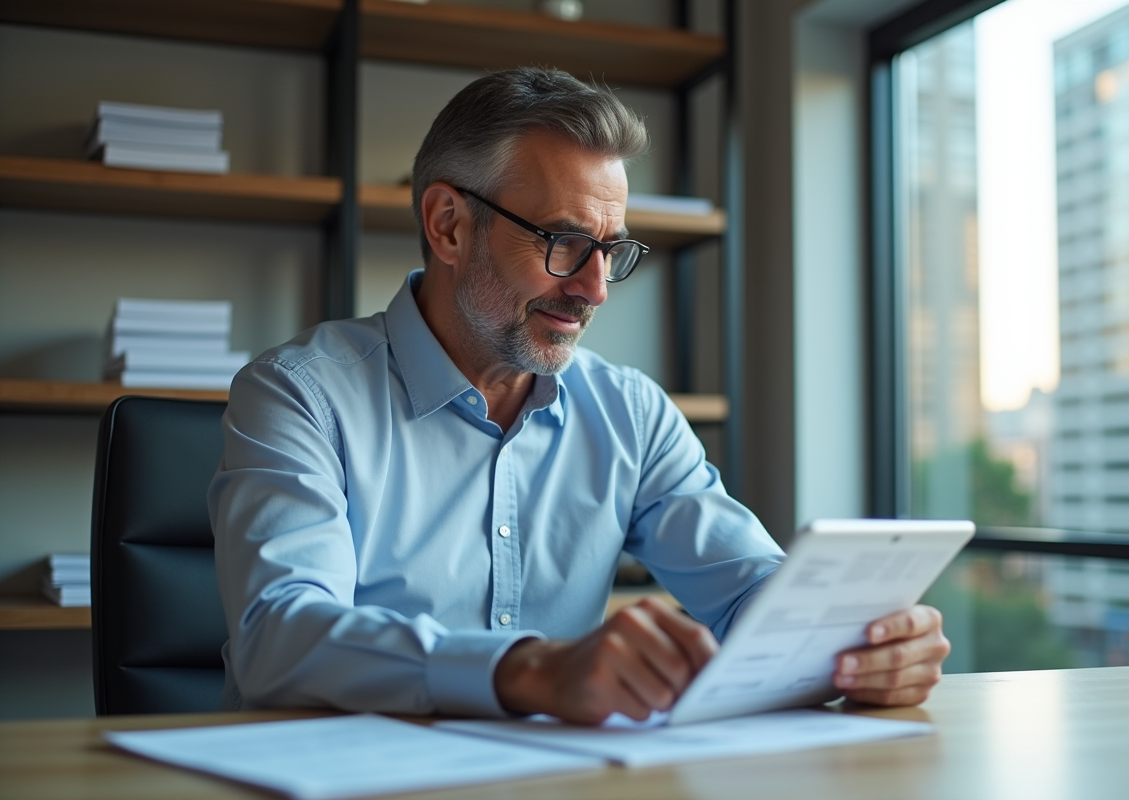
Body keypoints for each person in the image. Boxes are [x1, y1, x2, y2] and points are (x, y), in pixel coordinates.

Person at [209, 67, 950, 725]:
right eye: (562, 242)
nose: (594, 289)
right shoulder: (298, 395)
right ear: (448, 225)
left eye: (611, 250)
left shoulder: (631, 413)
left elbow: (749, 587)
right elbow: (281, 635)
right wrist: (528, 670)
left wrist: (856, 642)